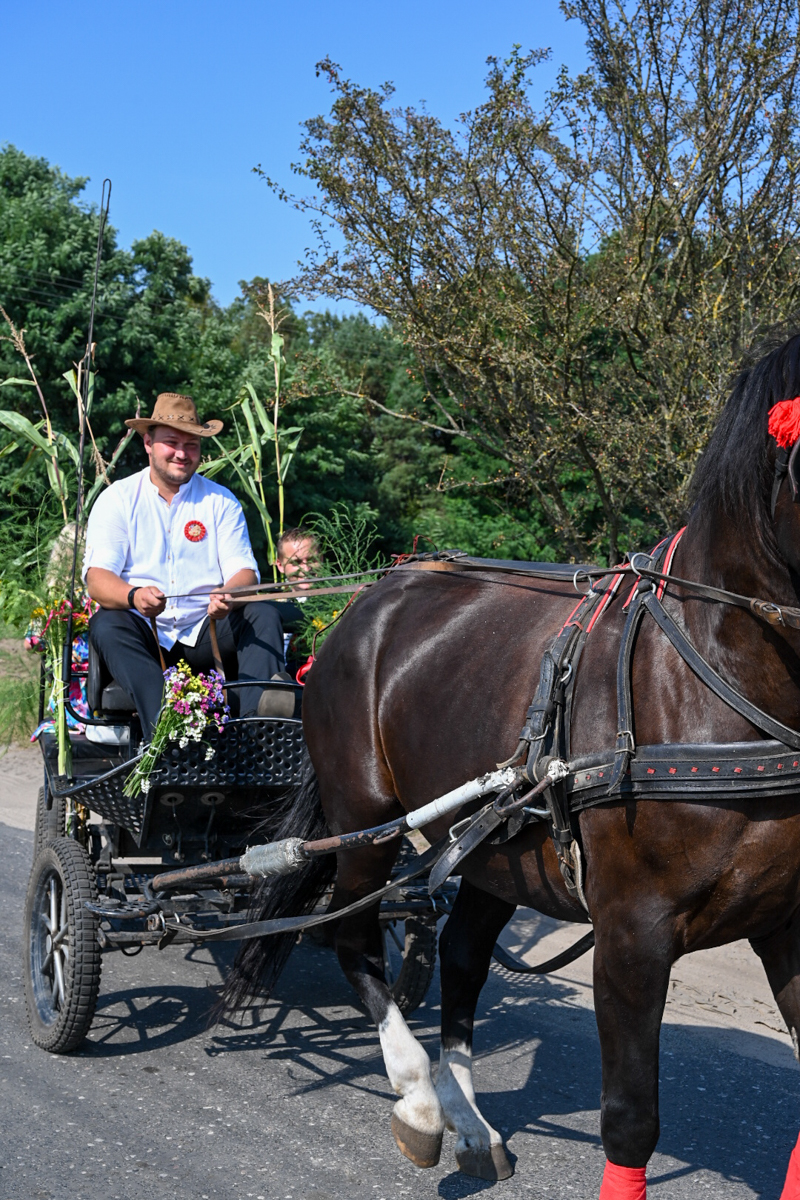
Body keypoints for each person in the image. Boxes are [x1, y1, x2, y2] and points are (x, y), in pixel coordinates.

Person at [84, 393, 288, 738]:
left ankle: (257, 732)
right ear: (148, 443)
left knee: (263, 612)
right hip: (145, 634)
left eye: (191, 445)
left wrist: (229, 594)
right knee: (106, 623)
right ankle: (165, 730)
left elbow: (245, 573)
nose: (182, 453)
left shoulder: (221, 501)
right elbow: (98, 580)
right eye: (172, 443)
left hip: (208, 630)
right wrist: (134, 596)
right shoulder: (117, 499)